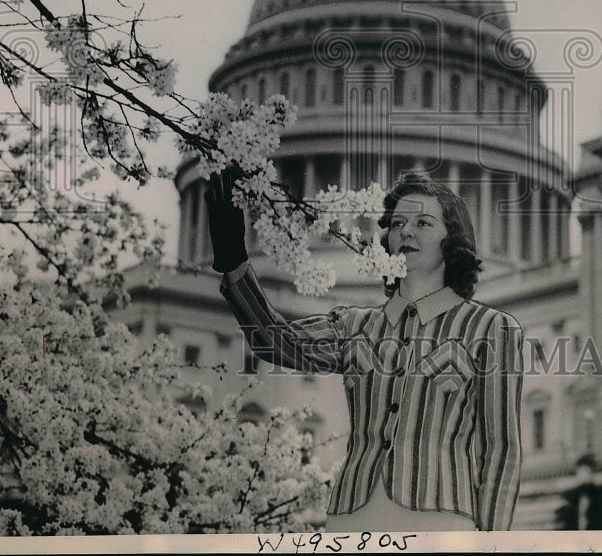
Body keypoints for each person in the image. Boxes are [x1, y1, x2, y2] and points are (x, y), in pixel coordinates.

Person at [207, 167, 524, 532]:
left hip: (442, 520)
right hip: (353, 516)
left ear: (452, 241)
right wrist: (234, 262)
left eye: (423, 223)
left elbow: (501, 450)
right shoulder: (354, 325)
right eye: (398, 223)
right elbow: (275, 342)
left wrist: (491, 543)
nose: (405, 231)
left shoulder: (491, 329)